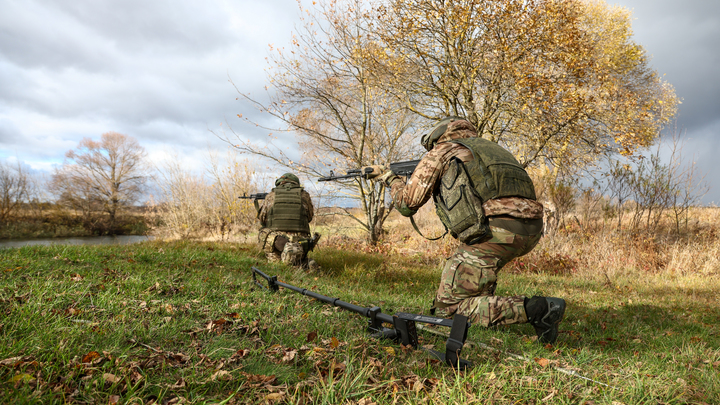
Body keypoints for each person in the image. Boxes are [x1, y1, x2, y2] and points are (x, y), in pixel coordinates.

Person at [365, 117, 566, 344]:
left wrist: (389, 178)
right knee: (474, 272)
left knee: (449, 310)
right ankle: (491, 311)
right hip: (531, 230)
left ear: (438, 135)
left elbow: (407, 205)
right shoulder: (492, 150)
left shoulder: (443, 151)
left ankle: (539, 310)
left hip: (495, 231)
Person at [256, 173, 320, 269]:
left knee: (264, 232)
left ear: (280, 183)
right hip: (300, 243)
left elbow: (262, 218)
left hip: (276, 241)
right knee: (296, 259)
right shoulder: (305, 195)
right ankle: (304, 264)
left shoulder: (271, 196)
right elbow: (309, 217)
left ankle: (279, 263)